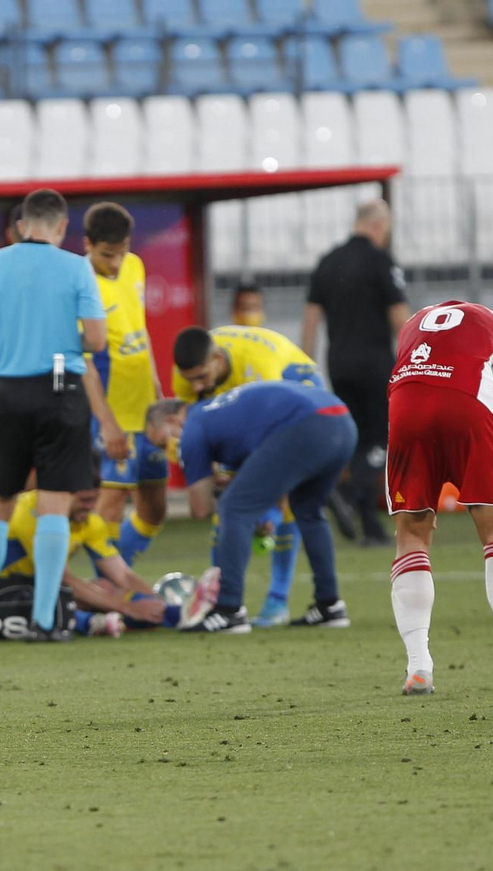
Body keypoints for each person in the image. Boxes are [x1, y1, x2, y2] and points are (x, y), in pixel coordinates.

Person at [385, 300, 493, 697]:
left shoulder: (412, 326)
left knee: (411, 536)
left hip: (405, 410)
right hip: (465, 407)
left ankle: (418, 668)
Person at [0, 189, 107, 640]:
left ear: (23, 225)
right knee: (54, 505)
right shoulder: (76, 266)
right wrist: (61, 337)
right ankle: (45, 621)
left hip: (7, 389)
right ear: (62, 227)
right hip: (61, 389)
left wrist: (9, 334)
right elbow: (97, 341)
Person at [143, 382, 356, 633]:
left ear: (173, 420)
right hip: (340, 420)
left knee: (234, 509)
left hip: (304, 426)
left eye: (162, 442)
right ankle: (329, 605)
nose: (167, 450)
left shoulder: (192, 428)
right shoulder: (216, 413)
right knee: (309, 512)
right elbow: (267, 468)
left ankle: (229, 610)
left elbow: (200, 508)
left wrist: (221, 490)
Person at [169, 324, 323, 627]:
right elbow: (200, 437)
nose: (197, 386)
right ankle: (220, 600)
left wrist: (273, 504)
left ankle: (277, 601)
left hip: (299, 387)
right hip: (251, 408)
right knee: (228, 504)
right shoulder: (187, 378)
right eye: (191, 380)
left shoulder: (259, 368)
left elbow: (274, 444)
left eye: (202, 377)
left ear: (217, 358)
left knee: (287, 494)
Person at [301, 198, 412, 547]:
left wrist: (306, 367)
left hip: (338, 364)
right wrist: (416, 358)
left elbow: (311, 319)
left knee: (357, 443)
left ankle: (370, 525)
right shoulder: (381, 261)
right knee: (382, 439)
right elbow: (399, 317)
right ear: (378, 226)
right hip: (375, 364)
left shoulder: (328, 262)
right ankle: (347, 493)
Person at [75, 203, 167, 575]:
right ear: (88, 244)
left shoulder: (136, 266)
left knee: (154, 508)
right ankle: (104, 589)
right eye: (106, 255)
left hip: (146, 409)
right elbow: (83, 359)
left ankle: (113, 579)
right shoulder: (78, 280)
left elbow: (139, 329)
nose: (115, 263)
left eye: (121, 252)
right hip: (112, 414)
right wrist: (106, 422)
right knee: (110, 504)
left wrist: (157, 388)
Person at [0, 485, 174, 637]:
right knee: (53, 595)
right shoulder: (28, 513)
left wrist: (154, 602)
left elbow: (123, 576)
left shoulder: (90, 520)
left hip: (40, 586)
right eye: (84, 500)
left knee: (105, 587)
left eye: (94, 499)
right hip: (2, 589)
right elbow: (61, 578)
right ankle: (89, 622)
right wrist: (127, 607)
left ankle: (176, 615)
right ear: (64, 496)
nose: (90, 507)